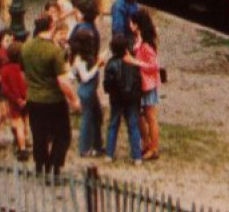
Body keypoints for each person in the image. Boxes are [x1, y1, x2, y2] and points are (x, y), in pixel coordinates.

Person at [20, 13, 80, 180]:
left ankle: (40, 166)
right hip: (53, 100)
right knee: (62, 135)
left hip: (33, 98)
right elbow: (62, 81)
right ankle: (54, 166)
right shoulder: (55, 51)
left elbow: (24, 73)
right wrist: (74, 100)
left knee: (39, 135)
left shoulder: (26, 47)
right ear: (51, 27)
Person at [102, 31, 143, 165]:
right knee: (133, 125)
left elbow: (107, 85)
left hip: (116, 99)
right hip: (131, 99)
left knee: (113, 124)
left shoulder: (110, 64)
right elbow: (138, 81)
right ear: (126, 47)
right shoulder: (132, 62)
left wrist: (113, 92)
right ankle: (137, 156)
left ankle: (109, 154)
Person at [130, 9, 163, 161]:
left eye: (131, 22)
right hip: (142, 84)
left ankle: (154, 147)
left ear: (137, 25)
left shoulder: (146, 45)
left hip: (148, 85)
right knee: (140, 115)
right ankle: (147, 143)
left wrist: (137, 63)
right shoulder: (139, 40)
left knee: (150, 116)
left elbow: (153, 66)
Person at [70, 24, 104, 158]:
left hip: (91, 91)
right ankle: (84, 148)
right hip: (86, 91)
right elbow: (85, 77)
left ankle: (97, 145)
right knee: (87, 118)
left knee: (97, 116)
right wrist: (97, 65)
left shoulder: (83, 56)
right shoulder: (79, 59)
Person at [0, 41, 30, 158]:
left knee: (18, 125)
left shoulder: (4, 70)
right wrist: (25, 98)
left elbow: (5, 89)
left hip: (14, 101)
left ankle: (22, 149)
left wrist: (16, 99)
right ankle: (26, 140)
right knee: (25, 122)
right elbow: (27, 85)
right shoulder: (23, 70)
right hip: (26, 99)